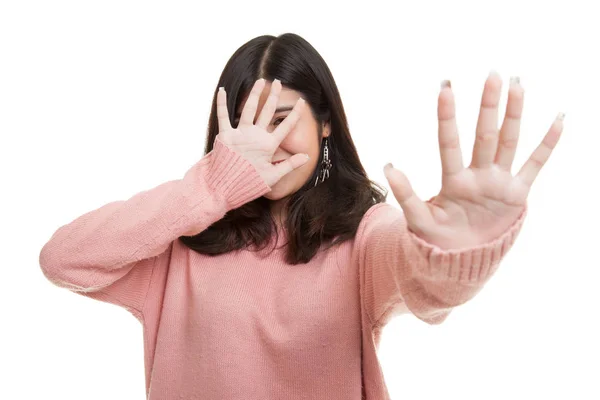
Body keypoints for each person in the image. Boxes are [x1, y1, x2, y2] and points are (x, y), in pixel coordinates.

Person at [38, 32, 564, 400]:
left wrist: (453, 253)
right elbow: (64, 260)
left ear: (325, 123)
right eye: (246, 124)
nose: (263, 143)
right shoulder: (182, 242)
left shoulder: (363, 235)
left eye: (282, 118)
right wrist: (212, 186)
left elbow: (420, 281)